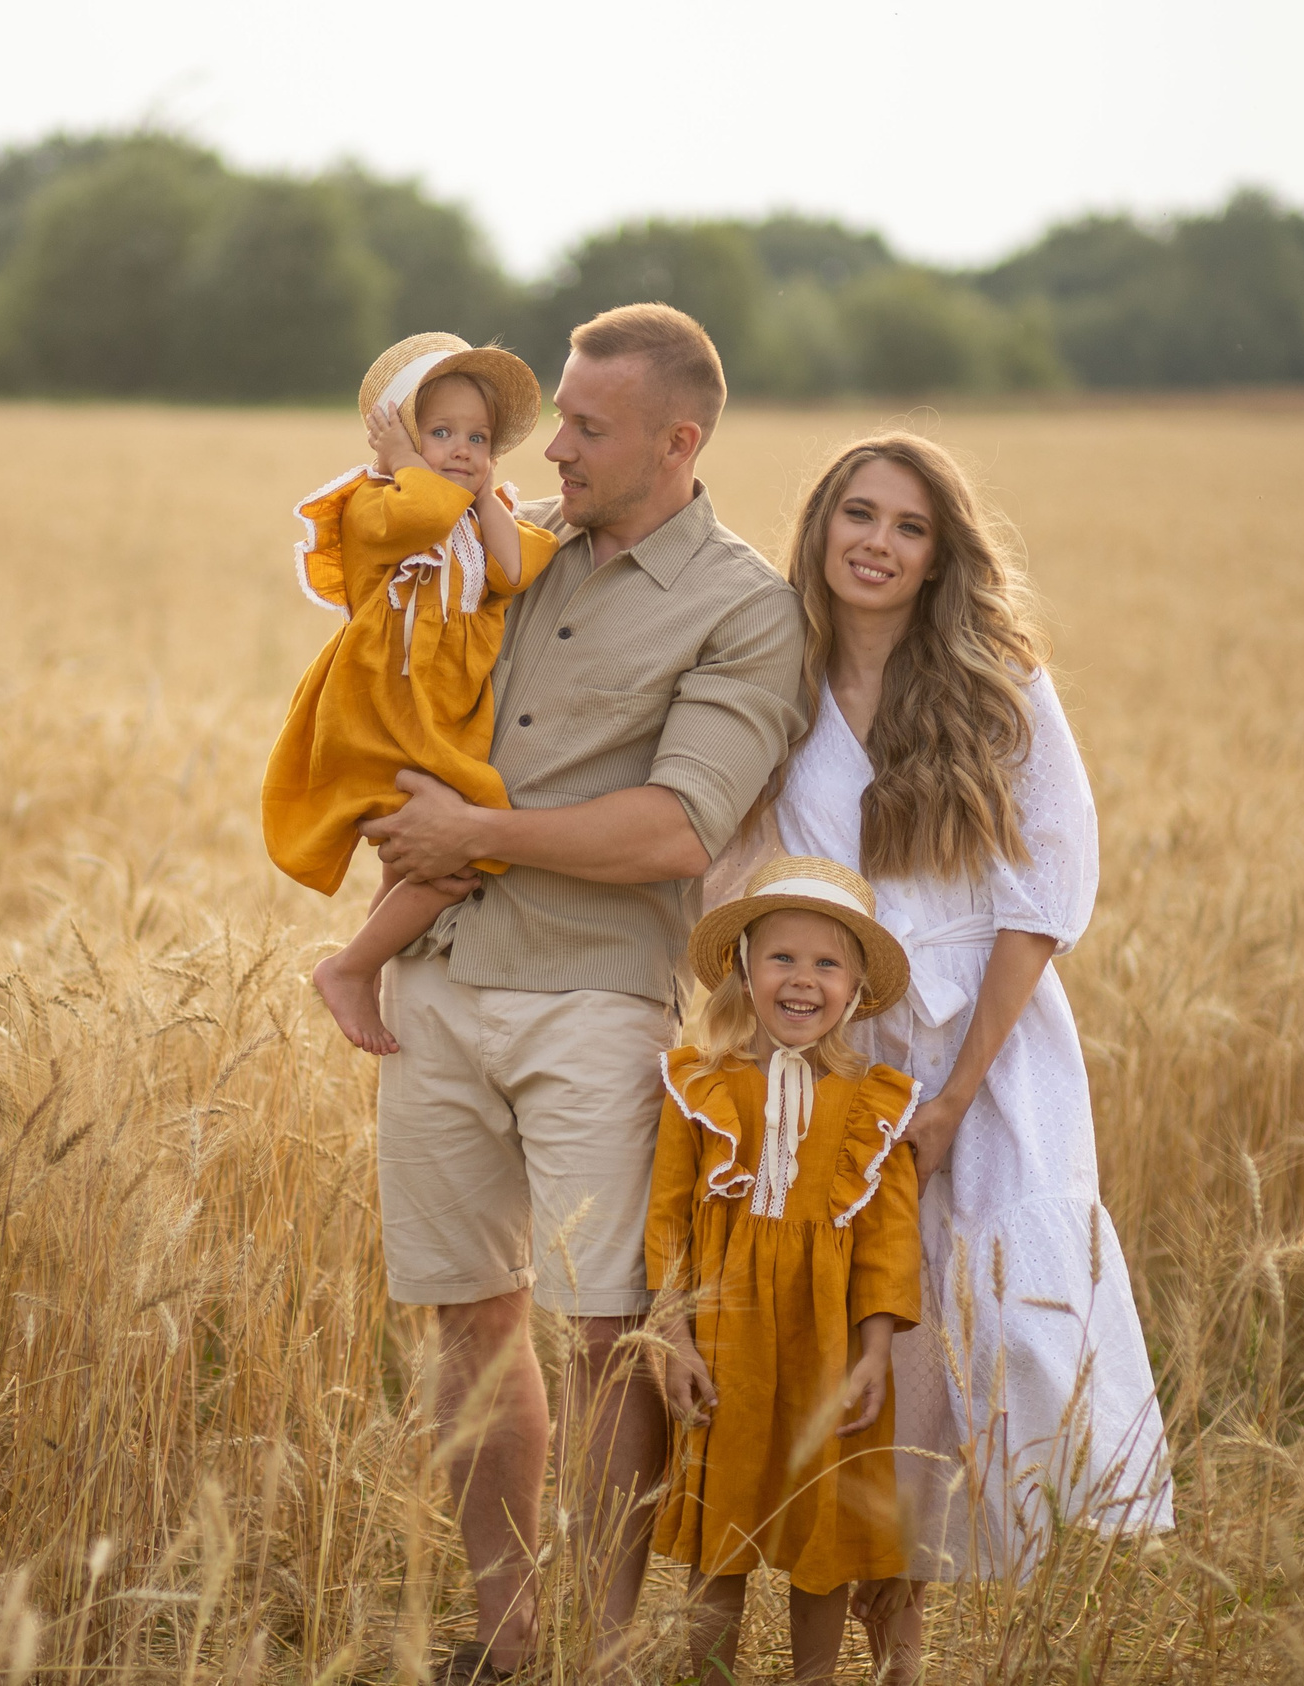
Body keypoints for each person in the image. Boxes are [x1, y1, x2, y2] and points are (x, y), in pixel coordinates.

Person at [354, 304, 808, 1684]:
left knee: (612, 1330)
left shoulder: (746, 608)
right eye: (556, 414)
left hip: (595, 1004)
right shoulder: (516, 555)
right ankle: (505, 1643)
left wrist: (473, 837)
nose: (554, 444)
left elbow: (678, 830)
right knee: (468, 1315)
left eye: (589, 427)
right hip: (436, 986)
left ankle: (603, 1656)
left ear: (679, 442)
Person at [765, 432, 1175, 1639]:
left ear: (941, 554)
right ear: (819, 528)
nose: (876, 543)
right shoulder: (778, 682)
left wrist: (952, 1096)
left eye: (908, 525)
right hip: (836, 1053)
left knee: (984, 1331)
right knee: (868, 1365)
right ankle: (827, 1656)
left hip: (985, 1059)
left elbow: (1043, 893)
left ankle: (936, 1648)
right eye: (858, 514)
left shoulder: (997, 679)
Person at [646, 856, 925, 1685]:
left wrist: (875, 1354)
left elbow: (887, 1245)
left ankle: (814, 1678)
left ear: (856, 987)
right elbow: (667, 1224)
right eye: (782, 959)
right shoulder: (700, 1086)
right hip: (728, 1338)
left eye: (827, 964)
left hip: (830, 1349)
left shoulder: (876, 1102)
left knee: (826, 1536)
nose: (803, 981)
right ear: (743, 968)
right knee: (720, 1534)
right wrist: (675, 1340)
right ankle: (710, 1677)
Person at [263, 332, 563, 1055]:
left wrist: (484, 492)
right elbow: (419, 515)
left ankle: (364, 968)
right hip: (384, 713)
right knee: (460, 857)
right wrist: (401, 464)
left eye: (479, 438)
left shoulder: (468, 514)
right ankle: (351, 966)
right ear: (396, 433)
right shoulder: (373, 507)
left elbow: (516, 568)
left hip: (445, 714)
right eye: (440, 433)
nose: (462, 449)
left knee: (412, 858)